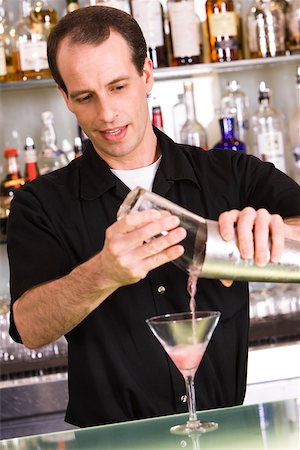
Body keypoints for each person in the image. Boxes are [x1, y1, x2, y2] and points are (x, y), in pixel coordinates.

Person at [8, 6, 300, 429]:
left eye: (118, 86)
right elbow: (30, 328)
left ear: (147, 74)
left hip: (224, 432)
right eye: (85, 96)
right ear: (64, 96)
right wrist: (103, 273)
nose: (106, 113)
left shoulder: (233, 175)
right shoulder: (39, 203)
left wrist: (277, 231)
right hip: (111, 439)